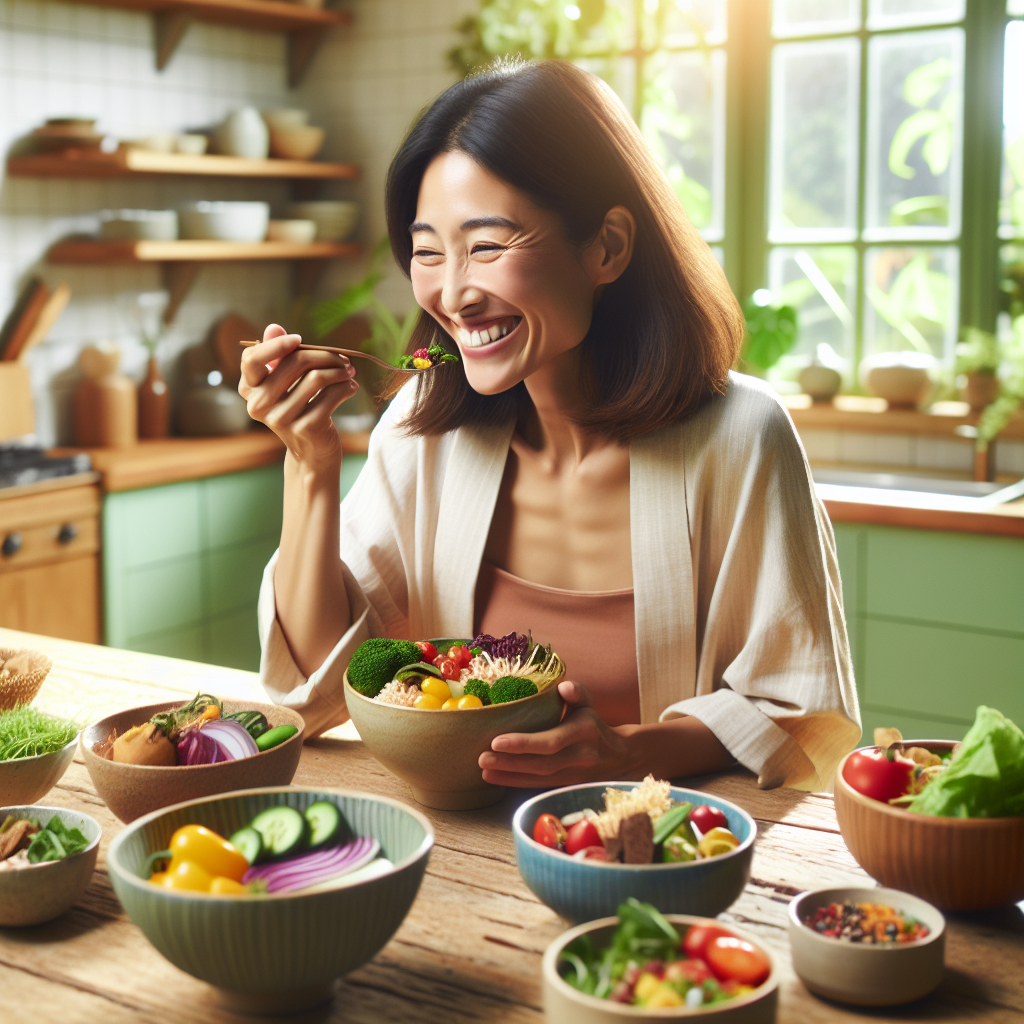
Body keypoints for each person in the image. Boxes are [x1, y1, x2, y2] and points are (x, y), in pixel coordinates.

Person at [241, 59, 860, 792]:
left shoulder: (741, 436)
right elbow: (315, 685)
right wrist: (308, 462)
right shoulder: (424, 427)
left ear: (607, 247)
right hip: (459, 849)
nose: (455, 293)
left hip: (648, 860)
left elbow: (796, 709)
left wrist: (634, 753)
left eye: (489, 246)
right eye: (429, 252)